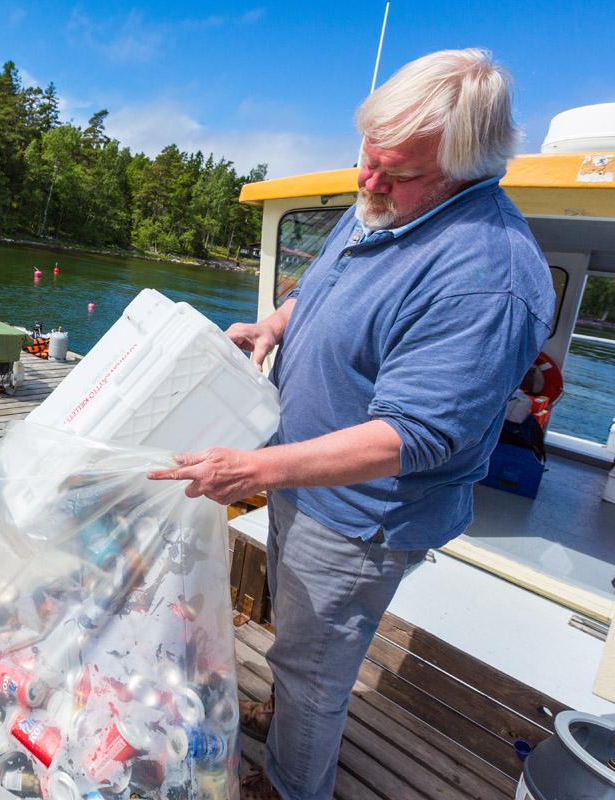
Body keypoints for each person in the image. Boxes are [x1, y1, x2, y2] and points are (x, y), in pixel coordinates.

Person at [147, 49, 555, 800]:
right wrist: (276, 322)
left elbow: (415, 436)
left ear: (469, 170)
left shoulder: (488, 275)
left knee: (316, 670)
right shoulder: (387, 204)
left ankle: (294, 785)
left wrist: (254, 469)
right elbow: (330, 287)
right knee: (300, 647)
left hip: (362, 518)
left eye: (395, 174)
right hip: (302, 484)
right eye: (367, 155)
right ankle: (289, 705)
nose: (368, 182)